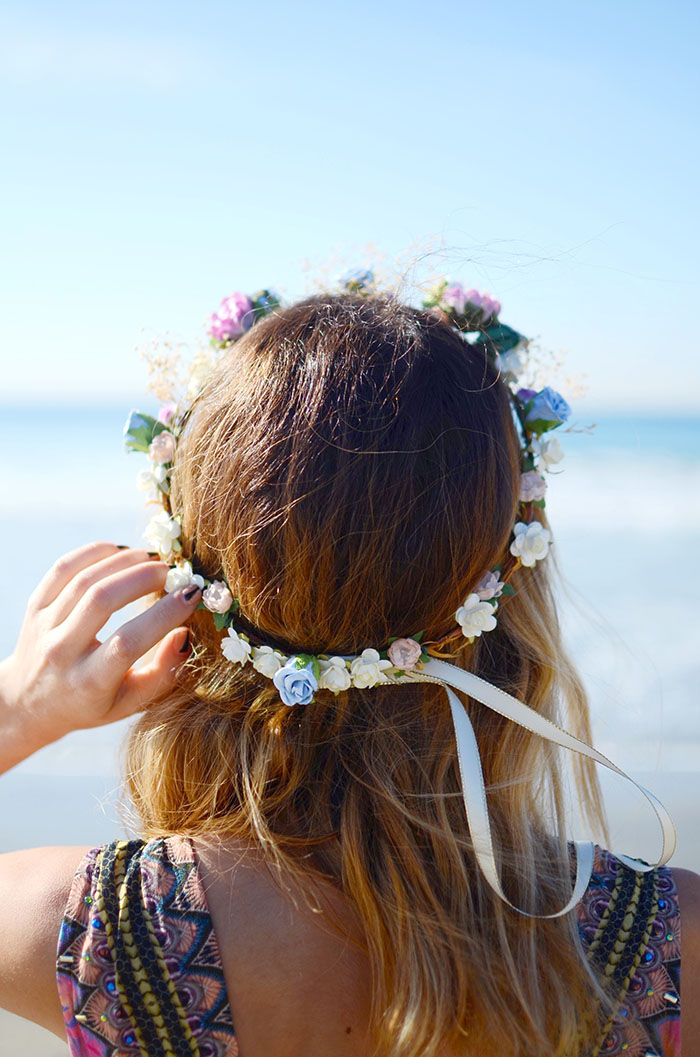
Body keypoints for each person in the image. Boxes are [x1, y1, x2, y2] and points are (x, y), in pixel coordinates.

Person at [0, 286, 698, 1057]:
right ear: (511, 590)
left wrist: (18, 709)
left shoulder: (96, 931)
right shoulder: (666, 939)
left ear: (193, 587)